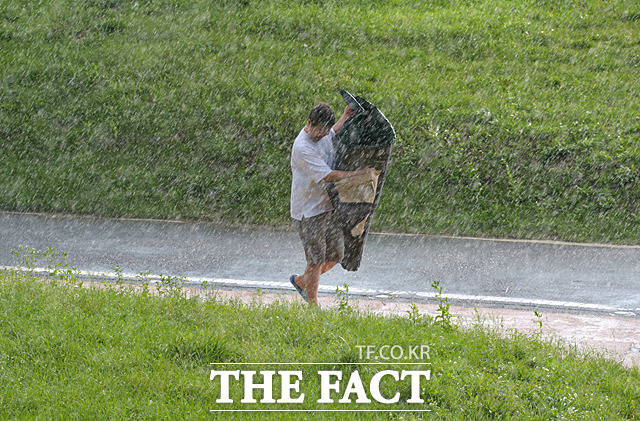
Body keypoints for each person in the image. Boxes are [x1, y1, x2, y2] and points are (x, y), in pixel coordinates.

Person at [289, 102, 375, 306]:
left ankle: (302, 282)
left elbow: (332, 134)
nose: (321, 135)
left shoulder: (325, 133)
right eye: (318, 130)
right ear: (308, 123)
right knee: (315, 260)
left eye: (324, 130)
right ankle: (313, 306)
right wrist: (359, 174)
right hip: (308, 212)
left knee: (337, 254)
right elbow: (329, 176)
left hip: (327, 206)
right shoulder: (303, 148)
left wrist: (345, 117)